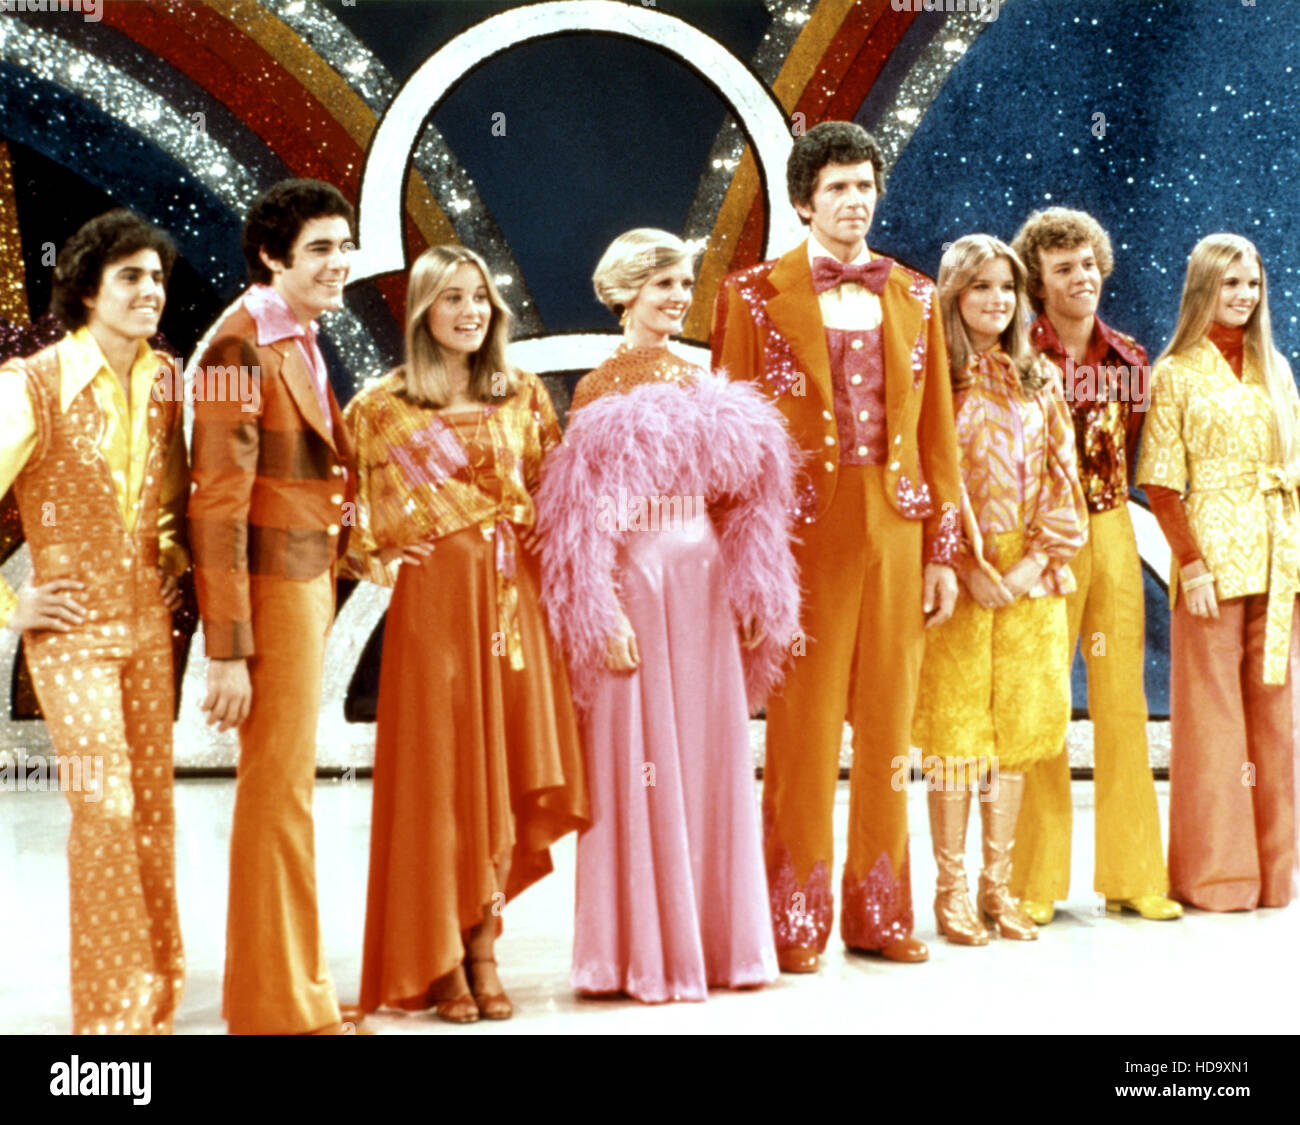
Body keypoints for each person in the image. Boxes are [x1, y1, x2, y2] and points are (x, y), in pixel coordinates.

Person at [712, 121, 963, 971]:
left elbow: (937, 435)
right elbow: (734, 439)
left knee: (891, 728)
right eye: (838, 189)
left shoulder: (917, 294)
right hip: (800, 537)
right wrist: (746, 560)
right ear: (803, 202)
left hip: (896, 526)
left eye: (865, 187)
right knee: (804, 729)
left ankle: (881, 913)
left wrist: (942, 550)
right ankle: (793, 917)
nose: (855, 202)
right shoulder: (751, 295)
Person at [537, 229, 798, 1002]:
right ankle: (642, 954)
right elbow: (577, 523)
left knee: (711, 751)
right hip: (637, 581)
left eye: (685, 285)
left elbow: (746, 502)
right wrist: (600, 610)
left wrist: (756, 586)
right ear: (625, 292)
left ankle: (721, 948)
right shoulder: (597, 390)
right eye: (663, 285)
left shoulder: (706, 382)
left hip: (705, 579)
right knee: (636, 754)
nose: (679, 298)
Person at [344, 244, 588, 1023]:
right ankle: (440, 959)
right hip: (433, 612)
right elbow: (341, 506)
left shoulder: (522, 394)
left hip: (513, 607)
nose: (470, 311)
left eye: (480, 297)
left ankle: (484, 950)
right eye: (452, 298)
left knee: (503, 771)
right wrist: (378, 553)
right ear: (423, 310)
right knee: (441, 781)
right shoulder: (380, 406)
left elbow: (555, 499)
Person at [0, 209, 188, 1033]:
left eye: (157, 277)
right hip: (71, 634)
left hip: (148, 625)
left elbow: (170, 496)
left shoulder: (167, 377)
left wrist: (171, 555)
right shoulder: (31, 385)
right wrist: (12, 607)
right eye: (131, 277)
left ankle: (159, 988)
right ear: (86, 289)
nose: (151, 291)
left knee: (151, 807)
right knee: (104, 807)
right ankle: (113, 1013)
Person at [189, 179, 361, 1034]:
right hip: (272, 588)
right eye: (320, 248)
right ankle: (277, 1006)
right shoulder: (237, 345)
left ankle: (296, 988)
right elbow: (216, 504)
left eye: (345, 246)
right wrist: (226, 649)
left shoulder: (296, 334)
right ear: (271, 255)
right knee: (278, 790)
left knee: (288, 787)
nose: (339, 263)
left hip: (305, 580)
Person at [913, 235, 1087, 945]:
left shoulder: (1039, 379)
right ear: (953, 294)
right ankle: (950, 891)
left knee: (1016, 731)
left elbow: (1063, 480)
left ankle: (998, 887)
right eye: (980, 286)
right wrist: (962, 564)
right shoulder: (932, 378)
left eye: (1007, 288)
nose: (996, 299)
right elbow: (922, 478)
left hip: (1029, 578)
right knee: (955, 732)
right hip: (954, 577)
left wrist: (1029, 567)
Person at [1008, 207, 1181, 924]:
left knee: (1123, 704)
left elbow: (1135, 449)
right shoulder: (1016, 356)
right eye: (1064, 269)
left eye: (1088, 265)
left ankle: (1134, 875)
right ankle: (1035, 881)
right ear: (1038, 282)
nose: (1082, 278)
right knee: (1044, 699)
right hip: (1044, 537)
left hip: (1110, 527)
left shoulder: (1131, 359)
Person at [1136, 233, 1299, 912]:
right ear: (1204, 286)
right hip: (1210, 565)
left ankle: (1275, 876)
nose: (1244, 295)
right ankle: (1216, 878)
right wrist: (1191, 565)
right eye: (1231, 283)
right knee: (1213, 723)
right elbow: (1161, 484)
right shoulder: (1175, 371)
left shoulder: (1275, 367)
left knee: (1277, 722)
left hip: (1278, 560)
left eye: (1253, 283)